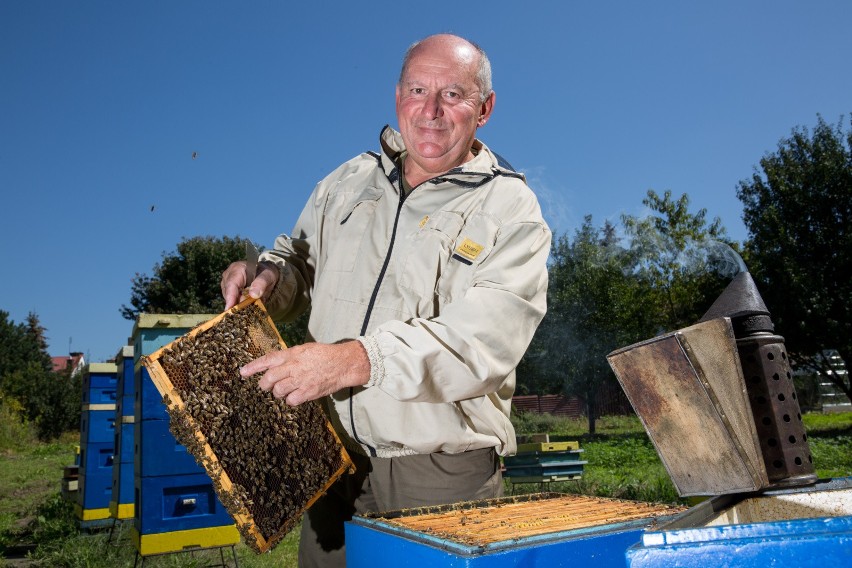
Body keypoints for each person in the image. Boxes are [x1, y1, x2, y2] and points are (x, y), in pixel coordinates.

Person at [221, 33, 551, 567]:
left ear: (484, 109)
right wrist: (266, 276)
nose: (432, 111)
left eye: (454, 94)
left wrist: (354, 360)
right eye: (419, 90)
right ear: (397, 95)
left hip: (440, 469)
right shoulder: (348, 180)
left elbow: (485, 339)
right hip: (331, 461)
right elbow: (297, 262)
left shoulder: (512, 209)